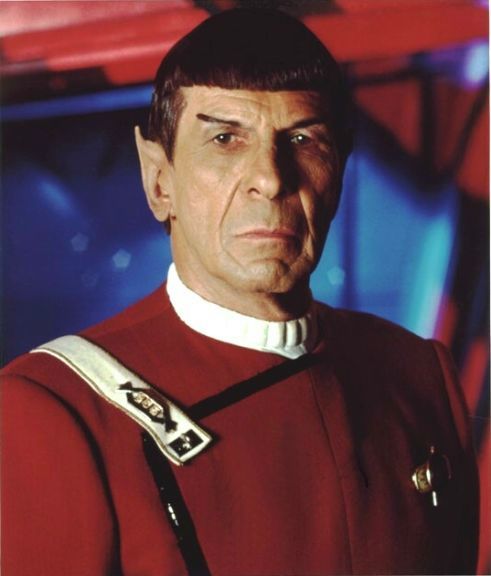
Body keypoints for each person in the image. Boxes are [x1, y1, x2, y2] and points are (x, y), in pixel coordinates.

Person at [1, 8, 478, 576]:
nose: (271, 179)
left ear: (338, 170)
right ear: (158, 179)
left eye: (302, 138)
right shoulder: (59, 409)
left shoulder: (418, 376)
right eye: (225, 138)